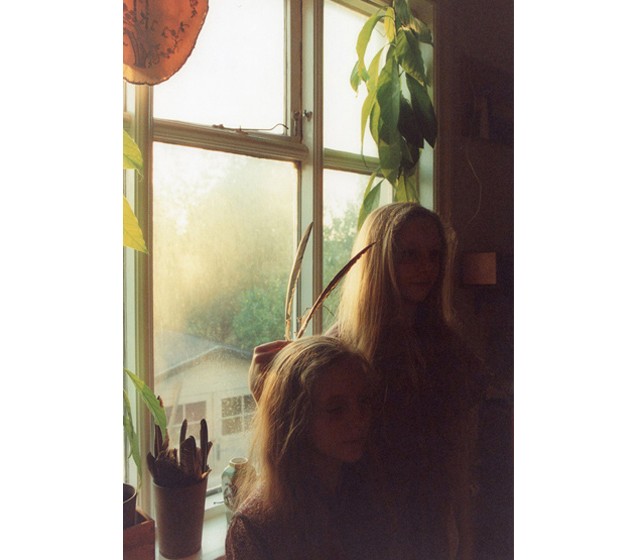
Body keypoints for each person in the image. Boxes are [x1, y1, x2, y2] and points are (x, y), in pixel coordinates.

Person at [248, 202, 488, 559]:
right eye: (409, 255)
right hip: (358, 528)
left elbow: (460, 456)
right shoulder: (344, 349)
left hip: (429, 528)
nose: (426, 267)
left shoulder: (450, 351)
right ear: (379, 260)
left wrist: (466, 539)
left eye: (434, 255)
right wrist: (265, 390)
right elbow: (303, 442)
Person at [226, 335, 392, 560]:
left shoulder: (369, 490)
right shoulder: (256, 528)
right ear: (295, 418)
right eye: (336, 409)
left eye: (364, 401)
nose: (359, 419)